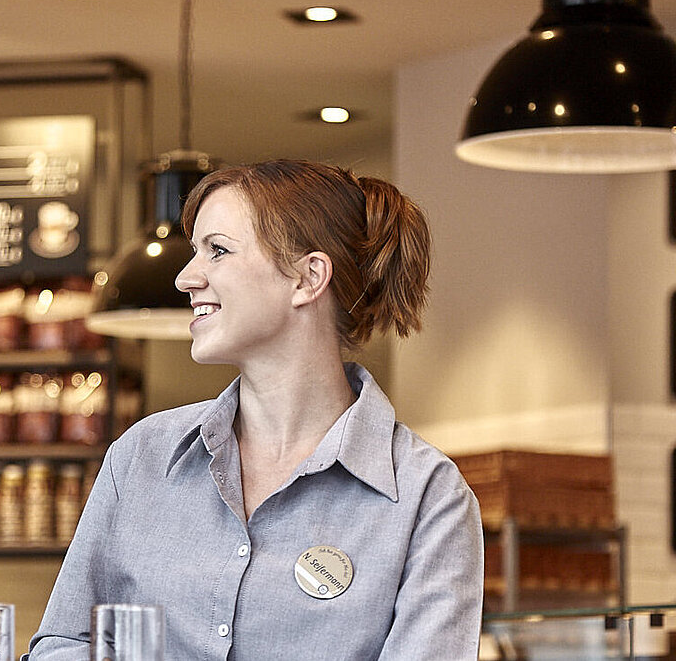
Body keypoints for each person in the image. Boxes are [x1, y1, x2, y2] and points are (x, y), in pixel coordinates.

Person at [27, 160, 483, 659]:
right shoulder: (141, 457)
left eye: (217, 251)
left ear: (307, 279)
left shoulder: (427, 497)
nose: (185, 278)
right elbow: (64, 644)